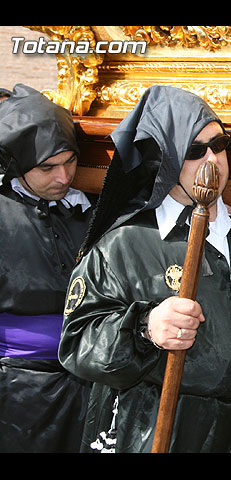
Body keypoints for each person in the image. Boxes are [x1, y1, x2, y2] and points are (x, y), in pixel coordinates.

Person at [58, 85, 231, 453]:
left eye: (219, 145)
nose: (213, 160)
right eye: (194, 151)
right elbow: (78, 343)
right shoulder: (124, 244)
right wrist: (145, 328)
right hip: (174, 427)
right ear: (164, 159)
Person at [0, 84, 94, 452]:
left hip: (88, 378)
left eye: (70, 161)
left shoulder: (89, 209)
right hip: (17, 392)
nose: (64, 177)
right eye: (47, 167)